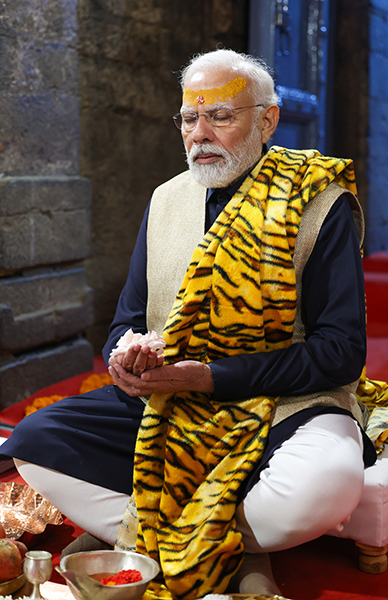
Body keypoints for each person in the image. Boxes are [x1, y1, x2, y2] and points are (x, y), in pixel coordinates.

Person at [0, 48, 382, 598]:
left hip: (289, 401)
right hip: (173, 403)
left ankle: (144, 535)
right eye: (188, 118)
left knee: (324, 487)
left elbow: (341, 352)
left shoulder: (318, 202)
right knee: (33, 441)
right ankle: (239, 553)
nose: (199, 133)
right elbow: (128, 320)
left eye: (221, 116)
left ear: (267, 119)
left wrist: (209, 377)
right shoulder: (166, 201)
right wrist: (126, 359)